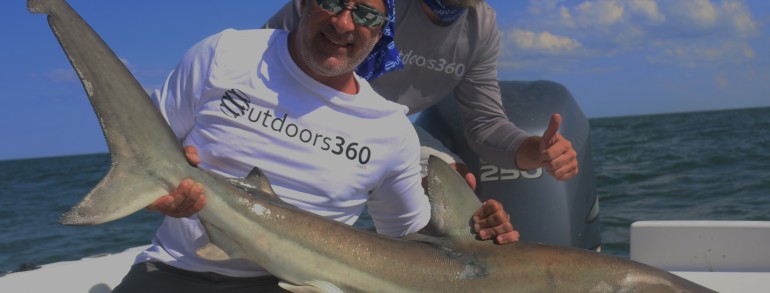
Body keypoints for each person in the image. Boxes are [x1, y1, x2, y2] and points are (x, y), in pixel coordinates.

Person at [113, 0, 517, 292]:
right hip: (174, 270)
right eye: (331, 2)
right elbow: (148, 161)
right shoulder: (225, 55)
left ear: (382, 31)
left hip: (294, 284)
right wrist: (158, 194)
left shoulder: (389, 129)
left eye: (366, 15)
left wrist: (475, 231)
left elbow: (412, 241)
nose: (343, 23)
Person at [263, 0, 580, 190]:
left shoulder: (481, 29)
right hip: (305, 111)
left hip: (387, 130)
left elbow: (486, 126)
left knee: (454, 185)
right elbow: (264, 47)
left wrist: (537, 151)